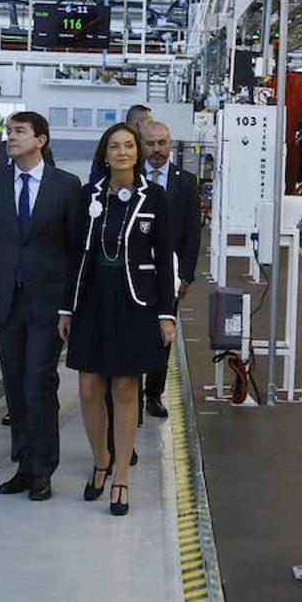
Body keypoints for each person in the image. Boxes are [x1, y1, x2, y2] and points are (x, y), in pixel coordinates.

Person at [0, 110, 84, 502]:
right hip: (6, 301)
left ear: (41, 139)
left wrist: (70, 305)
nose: (10, 138)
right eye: (8, 131)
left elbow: (75, 251)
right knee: (16, 385)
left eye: (19, 132)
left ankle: (43, 468)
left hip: (48, 302)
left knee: (39, 382)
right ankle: (23, 463)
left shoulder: (66, 186)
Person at [65, 123, 176, 515]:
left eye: (129, 145)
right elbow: (75, 253)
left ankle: (122, 478)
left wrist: (166, 314)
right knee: (90, 387)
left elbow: (164, 259)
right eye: (115, 146)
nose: (123, 152)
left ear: (137, 153)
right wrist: (67, 308)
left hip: (136, 302)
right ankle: (100, 460)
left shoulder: (154, 196)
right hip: (93, 299)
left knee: (126, 388)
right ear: (105, 154)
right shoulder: (89, 196)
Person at [139, 121, 200, 418]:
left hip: (168, 274)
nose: (157, 149)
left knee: (163, 336)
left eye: (162, 142)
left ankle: (153, 394)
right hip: (132, 274)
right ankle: (129, 392)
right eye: (150, 143)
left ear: (170, 142)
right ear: (141, 145)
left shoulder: (186, 181)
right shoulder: (130, 177)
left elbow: (192, 232)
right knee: (132, 332)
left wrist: (185, 275)